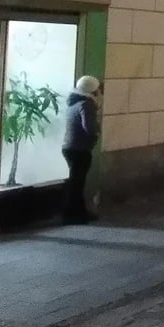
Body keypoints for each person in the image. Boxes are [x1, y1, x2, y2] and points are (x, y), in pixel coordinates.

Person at [61, 76, 102, 224]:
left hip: (70, 147)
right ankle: (73, 215)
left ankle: (78, 212)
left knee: (76, 182)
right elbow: (89, 128)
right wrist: (97, 130)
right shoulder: (86, 105)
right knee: (77, 183)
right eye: (97, 89)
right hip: (80, 148)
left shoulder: (73, 102)